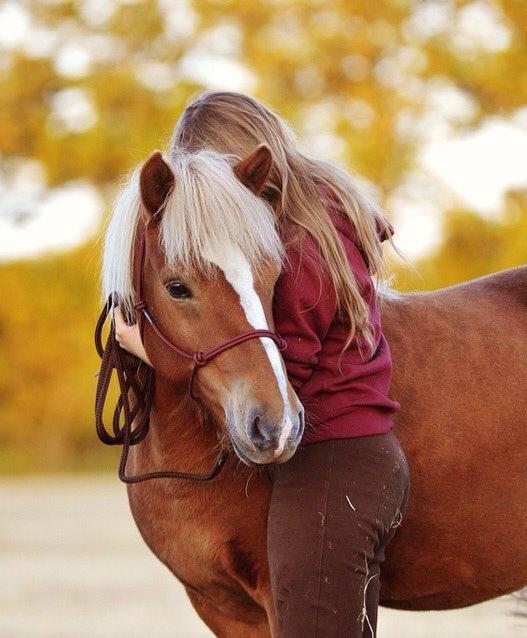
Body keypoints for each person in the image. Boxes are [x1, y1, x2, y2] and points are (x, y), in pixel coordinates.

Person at [114, 91, 408, 638]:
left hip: (335, 455)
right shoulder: (316, 223)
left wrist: (149, 349)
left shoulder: (306, 244)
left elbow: (274, 363)